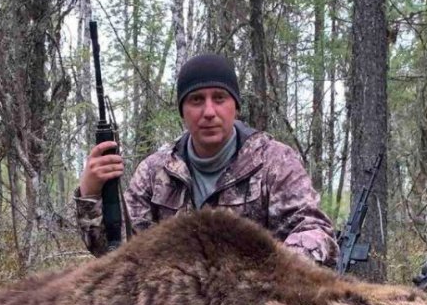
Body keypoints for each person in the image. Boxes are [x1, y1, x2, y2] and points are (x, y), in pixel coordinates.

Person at [75, 54, 338, 267]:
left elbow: (315, 230)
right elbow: (117, 252)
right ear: (183, 111)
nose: (209, 112)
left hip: (257, 304)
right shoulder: (155, 172)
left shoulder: (274, 162)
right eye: (197, 100)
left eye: (219, 98)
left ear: (235, 105)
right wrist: (91, 193)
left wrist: (269, 270)